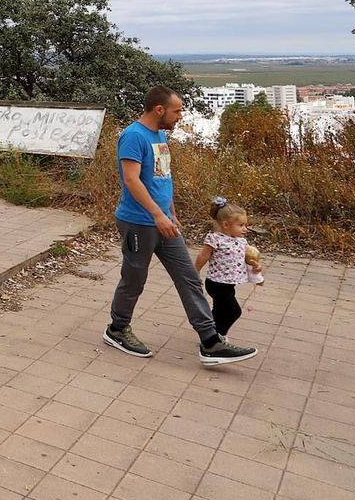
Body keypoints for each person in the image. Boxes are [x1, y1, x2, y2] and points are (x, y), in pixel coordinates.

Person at [102, 86, 258, 366]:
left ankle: (210, 342)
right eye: (177, 110)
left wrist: (170, 213)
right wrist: (157, 215)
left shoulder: (160, 135)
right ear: (159, 109)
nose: (180, 116)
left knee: (188, 277)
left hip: (163, 222)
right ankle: (117, 328)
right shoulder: (133, 137)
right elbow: (132, 180)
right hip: (138, 222)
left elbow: (163, 177)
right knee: (134, 280)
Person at [193, 197, 262, 338]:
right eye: (241, 225)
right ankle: (219, 337)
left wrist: (256, 267)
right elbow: (203, 255)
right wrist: (195, 271)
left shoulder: (242, 241)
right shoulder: (215, 239)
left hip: (230, 283)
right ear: (226, 224)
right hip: (216, 283)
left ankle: (208, 333)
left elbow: (246, 260)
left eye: (246, 225)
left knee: (219, 310)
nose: (245, 229)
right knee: (233, 311)